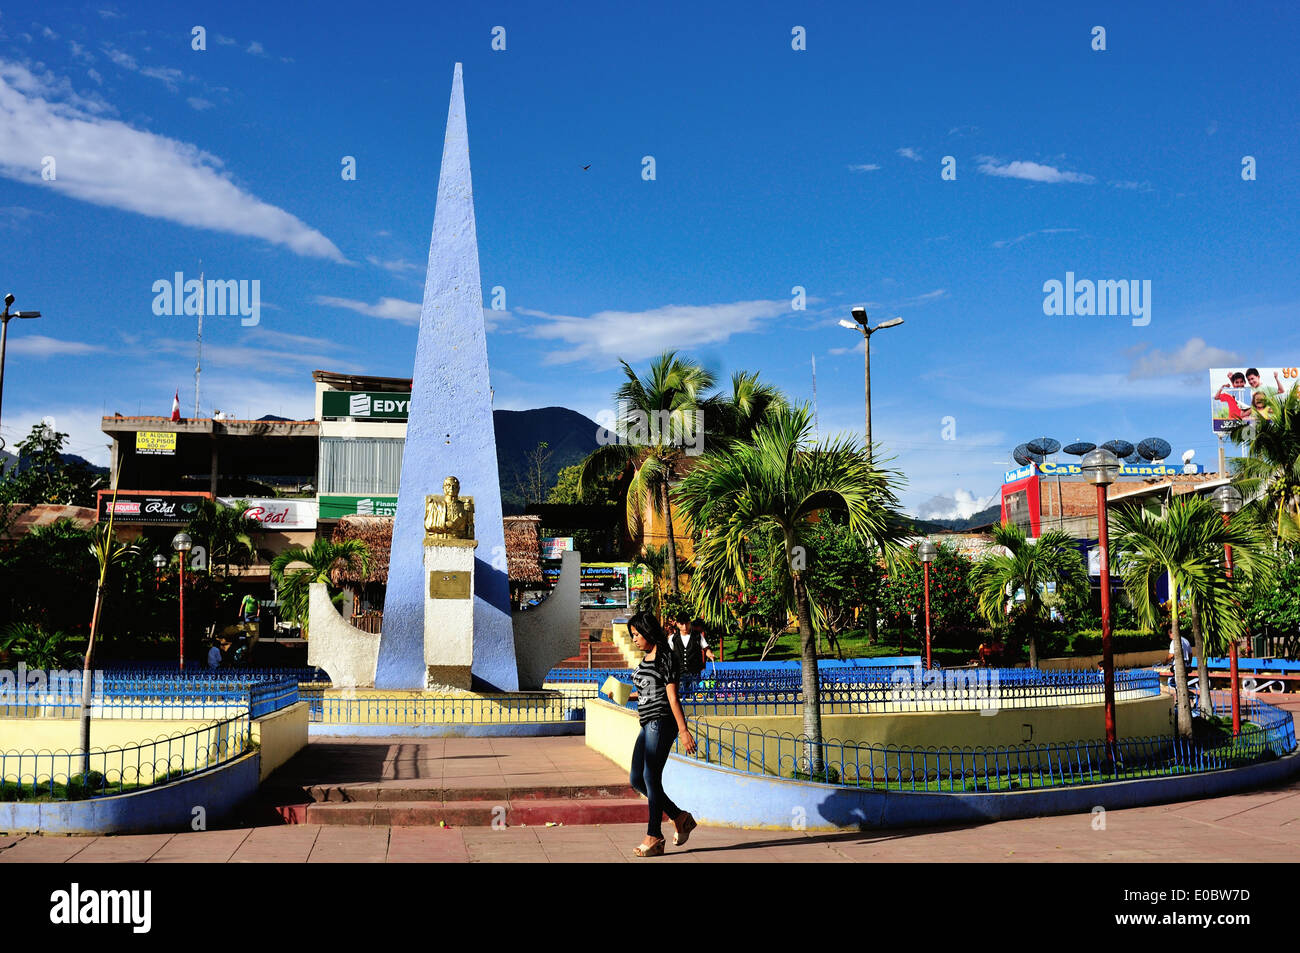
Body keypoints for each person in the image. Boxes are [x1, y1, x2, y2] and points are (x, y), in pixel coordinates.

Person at [625, 611, 697, 857]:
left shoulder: (666, 657)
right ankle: (679, 817)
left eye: (636, 634)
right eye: (632, 635)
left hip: (661, 722)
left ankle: (654, 835)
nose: (634, 639)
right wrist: (625, 694)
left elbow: (671, 696)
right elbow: (647, 691)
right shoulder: (647, 658)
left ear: (648, 631)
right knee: (637, 778)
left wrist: (684, 730)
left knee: (650, 776)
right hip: (646, 724)